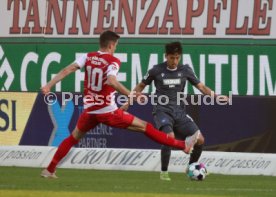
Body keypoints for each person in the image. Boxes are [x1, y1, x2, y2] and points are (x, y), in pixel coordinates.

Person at [40, 31, 199, 178]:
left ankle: (50, 169)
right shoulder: (113, 61)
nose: (115, 48)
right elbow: (112, 81)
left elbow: (67, 70)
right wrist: (131, 95)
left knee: (73, 137)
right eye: (115, 45)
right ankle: (182, 145)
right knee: (145, 126)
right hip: (108, 111)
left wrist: (49, 85)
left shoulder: (87, 56)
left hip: (89, 111)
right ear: (110, 45)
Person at [128, 42, 228, 181]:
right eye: (171, 58)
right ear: (166, 56)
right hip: (162, 111)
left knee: (200, 140)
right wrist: (128, 102)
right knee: (169, 136)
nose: (174, 61)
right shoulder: (156, 70)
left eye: (177, 58)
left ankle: (191, 168)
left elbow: (201, 87)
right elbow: (140, 85)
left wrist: (216, 97)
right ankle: (164, 172)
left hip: (179, 112)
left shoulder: (185, 70)